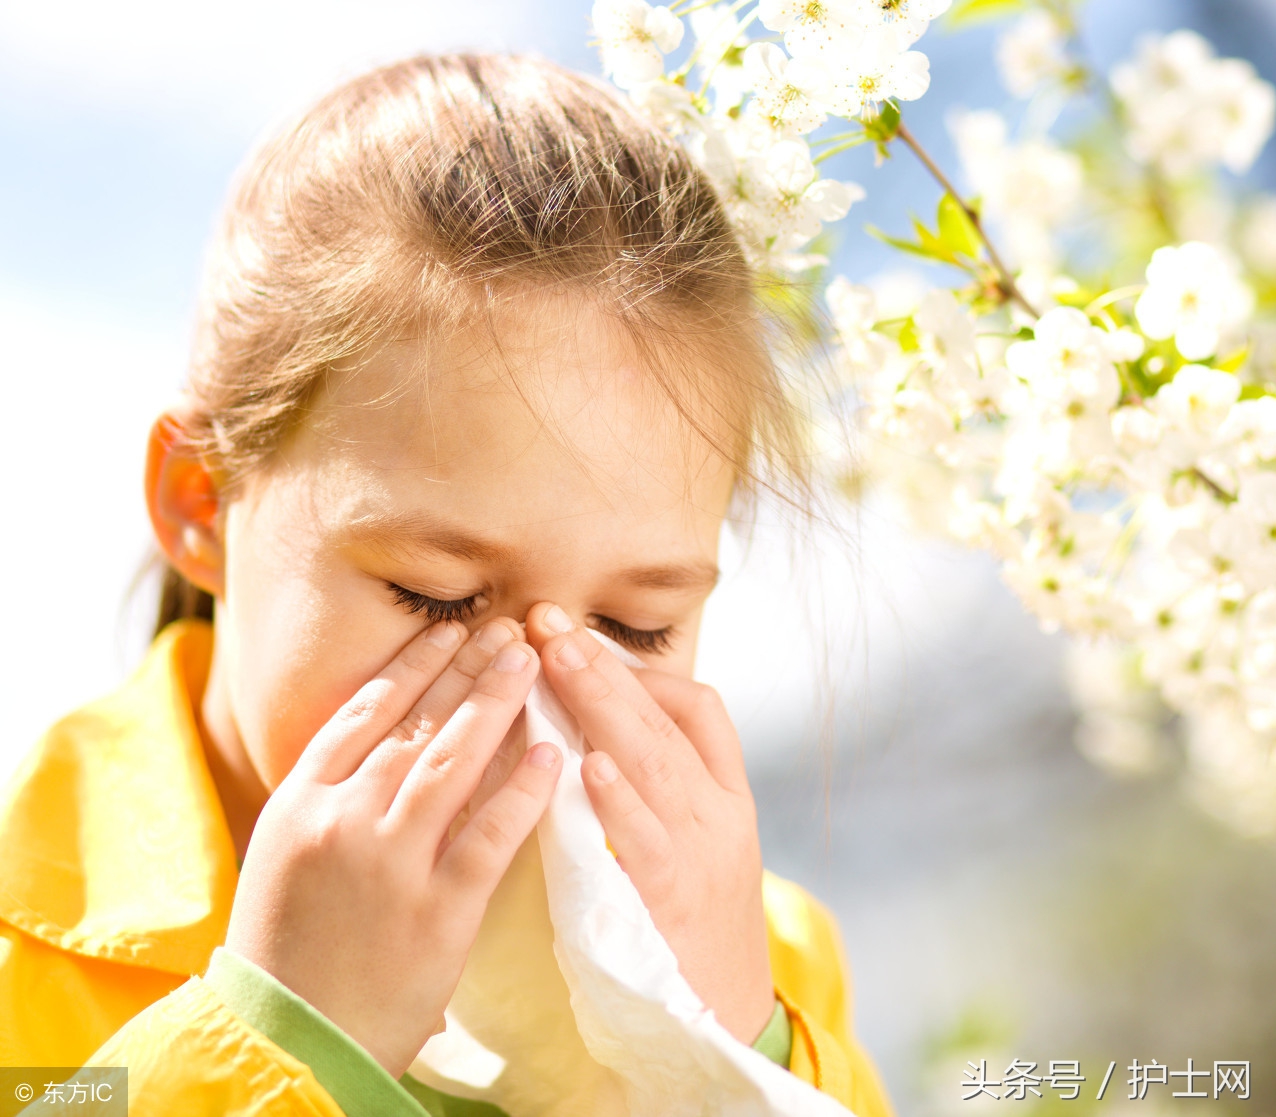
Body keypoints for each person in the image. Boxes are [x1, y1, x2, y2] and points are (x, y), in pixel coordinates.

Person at [0, 52, 893, 1117]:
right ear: (203, 501)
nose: (524, 703)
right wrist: (282, 1041)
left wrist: (733, 1060)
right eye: (436, 598)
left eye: (632, 625)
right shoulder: (23, 966)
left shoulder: (767, 956)